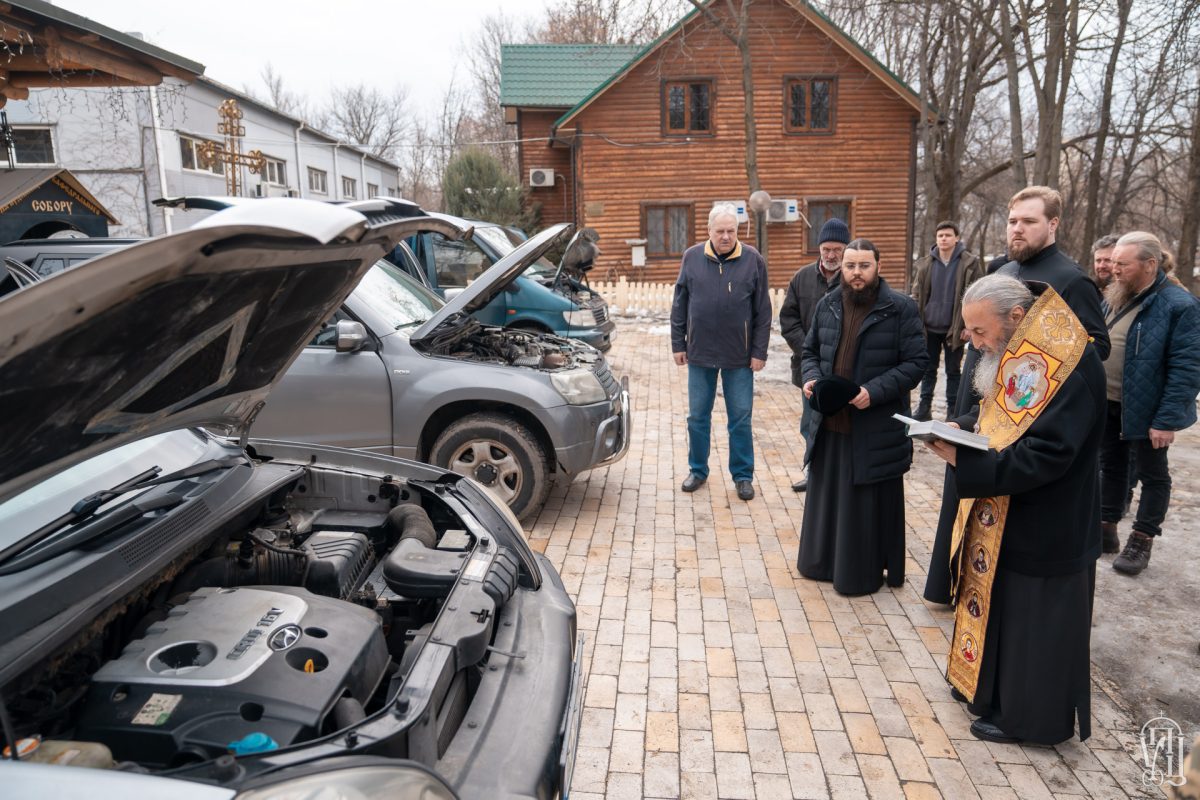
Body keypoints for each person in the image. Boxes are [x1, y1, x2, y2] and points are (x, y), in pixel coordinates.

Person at [927, 273, 1106, 746]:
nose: (973, 341)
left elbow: (1048, 452)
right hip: (1011, 512)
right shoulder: (1024, 346)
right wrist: (957, 426)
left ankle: (1031, 722)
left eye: (980, 331)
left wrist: (968, 460)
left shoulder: (1067, 360)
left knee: (1036, 629)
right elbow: (1003, 416)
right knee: (1004, 610)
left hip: (1050, 521)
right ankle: (989, 695)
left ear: (1017, 317)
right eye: (969, 330)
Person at [923, 185, 1110, 605]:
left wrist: (1031, 388)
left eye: (1028, 221)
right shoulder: (1002, 271)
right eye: (1012, 221)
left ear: (1052, 224)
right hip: (990, 411)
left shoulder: (1071, 280)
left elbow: (1087, 352)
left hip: (1033, 428)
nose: (1017, 229)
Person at [796, 238, 927, 594]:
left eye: (863, 266)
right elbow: (809, 351)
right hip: (830, 423)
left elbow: (917, 364)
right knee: (828, 499)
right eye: (850, 266)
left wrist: (876, 392)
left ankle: (859, 573)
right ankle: (821, 563)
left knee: (863, 507)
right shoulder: (827, 304)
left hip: (874, 427)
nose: (855, 273)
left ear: (877, 267)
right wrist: (810, 378)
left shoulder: (900, 309)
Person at [1099, 232, 1200, 573]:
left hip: (1149, 409)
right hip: (1110, 403)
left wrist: (1167, 419)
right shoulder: (1117, 294)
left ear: (1150, 264)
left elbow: (1188, 367)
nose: (1114, 269)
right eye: (1112, 262)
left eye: (1122, 264)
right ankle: (1105, 529)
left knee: (1153, 476)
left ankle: (1141, 540)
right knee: (1111, 467)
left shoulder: (1179, 305)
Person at [670, 203, 771, 501]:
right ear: (709, 231)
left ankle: (742, 476)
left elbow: (763, 311)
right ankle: (697, 470)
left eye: (731, 231)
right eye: (720, 231)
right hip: (699, 354)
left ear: (737, 231)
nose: (726, 236)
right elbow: (680, 305)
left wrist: (759, 351)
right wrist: (678, 343)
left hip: (739, 357)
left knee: (740, 417)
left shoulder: (753, 260)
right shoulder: (691, 257)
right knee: (697, 418)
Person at [779, 217, 850, 492]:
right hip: (808, 368)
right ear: (819, 248)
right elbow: (788, 320)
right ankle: (814, 472)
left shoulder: (853, 279)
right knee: (810, 422)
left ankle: (839, 476)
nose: (831, 255)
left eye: (837, 250)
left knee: (843, 424)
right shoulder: (802, 278)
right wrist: (809, 350)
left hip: (843, 367)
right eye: (827, 249)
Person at [911, 220, 984, 421]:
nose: (944, 239)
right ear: (936, 239)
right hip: (929, 328)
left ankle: (953, 412)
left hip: (956, 328)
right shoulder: (926, 263)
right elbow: (916, 294)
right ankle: (924, 408)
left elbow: (978, 295)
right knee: (928, 370)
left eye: (948, 235)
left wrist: (970, 326)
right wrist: (917, 323)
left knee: (953, 371)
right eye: (940, 235)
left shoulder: (969, 263)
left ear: (956, 238)